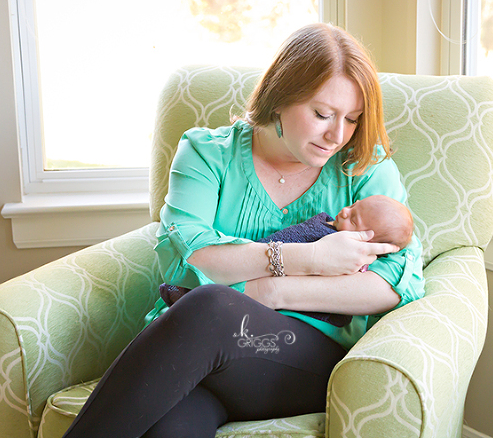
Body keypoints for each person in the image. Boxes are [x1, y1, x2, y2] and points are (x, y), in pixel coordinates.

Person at [61, 23, 425, 438]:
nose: (337, 136)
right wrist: (307, 258)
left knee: (212, 306)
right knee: (168, 430)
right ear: (280, 96)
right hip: (200, 360)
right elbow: (188, 260)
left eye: (353, 120)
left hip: (296, 360)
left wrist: (272, 291)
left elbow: (394, 282)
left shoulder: (365, 167)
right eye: (322, 114)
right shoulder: (206, 154)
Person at [158, 195, 415, 327]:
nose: (346, 210)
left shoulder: (359, 266)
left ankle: (190, 296)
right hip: (240, 280)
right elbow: (286, 240)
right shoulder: (323, 227)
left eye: (354, 219)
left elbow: (403, 280)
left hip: (287, 326)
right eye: (354, 205)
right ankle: (189, 295)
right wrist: (309, 256)